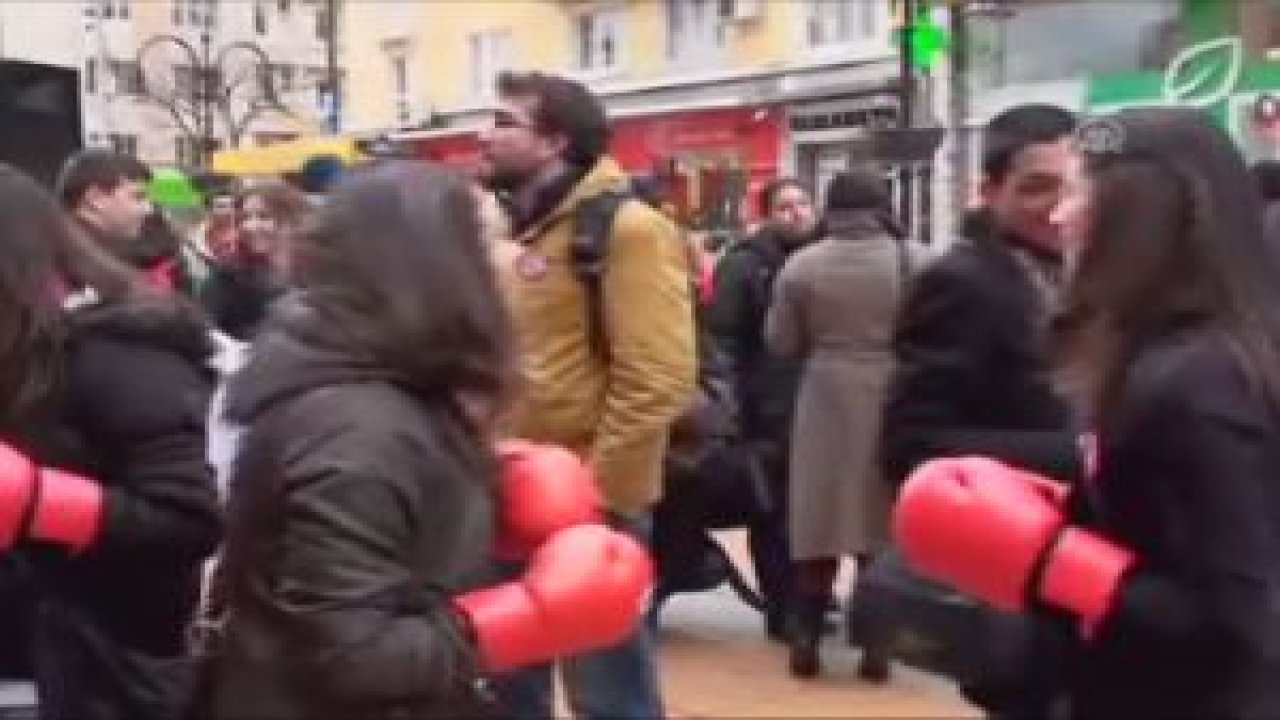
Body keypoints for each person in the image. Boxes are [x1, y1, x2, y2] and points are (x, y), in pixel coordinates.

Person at [192, 162, 651, 720]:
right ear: (441, 271)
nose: (507, 266)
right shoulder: (359, 431)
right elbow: (350, 658)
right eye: (486, 248)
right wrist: (527, 615)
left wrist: (466, 495)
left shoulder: (378, 396)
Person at [896, 107, 1280, 720]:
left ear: (1141, 215)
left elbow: (1236, 621)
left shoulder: (1198, 382)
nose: (1060, 215)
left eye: (1078, 191)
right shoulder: (1165, 356)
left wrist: (1054, 560)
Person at [479, 71, 695, 720]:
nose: (483, 136)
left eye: (503, 122)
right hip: (501, 496)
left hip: (586, 508)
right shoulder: (513, 229)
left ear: (553, 140)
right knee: (505, 689)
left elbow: (658, 377)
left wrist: (594, 498)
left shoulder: (628, 229)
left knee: (610, 698)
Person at [880, 104, 1083, 717]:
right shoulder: (965, 282)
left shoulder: (1082, 271)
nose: (1058, 205)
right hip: (1022, 567)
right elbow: (913, 443)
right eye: (1037, 186)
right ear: (989, 191)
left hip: (1083, 569)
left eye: (1075, 186)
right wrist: (1079, 454)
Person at [0, 164, 221, 720]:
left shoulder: (116, 353)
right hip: (63, 634)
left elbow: (188, 515)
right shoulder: (26, 348)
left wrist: (41, 503)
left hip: (132, 658)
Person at [764, 170, 926, 679]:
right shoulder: (916, 261)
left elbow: (781, 342)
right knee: (879, 523)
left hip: (824, 396)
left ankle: (806, 636)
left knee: (819, 519)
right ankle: (877, 646)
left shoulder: (801, 266)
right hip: (893, 394)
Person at [708, 177, 818, 640]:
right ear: (766, 214)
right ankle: (782, 607)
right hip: (767, 408)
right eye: (784, 207)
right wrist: (731, 405)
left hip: (814, 406)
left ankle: (810, 596)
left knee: (809, 510)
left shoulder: (819, 260)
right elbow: (726, 339)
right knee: (773, 513)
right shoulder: (746, 265)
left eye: (802, 204)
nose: (796, 214)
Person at [57, 150, 194, 293]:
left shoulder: (154, 254)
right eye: (138, 197)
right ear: (95, 199)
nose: (149, 209)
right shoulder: (58, 269)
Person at [200, 182, 307, 340]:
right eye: (244, 218)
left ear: (291, 220)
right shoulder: (227, 275)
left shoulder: (317, 274)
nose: (249, 226)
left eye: (263, 216)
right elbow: (204, 331)